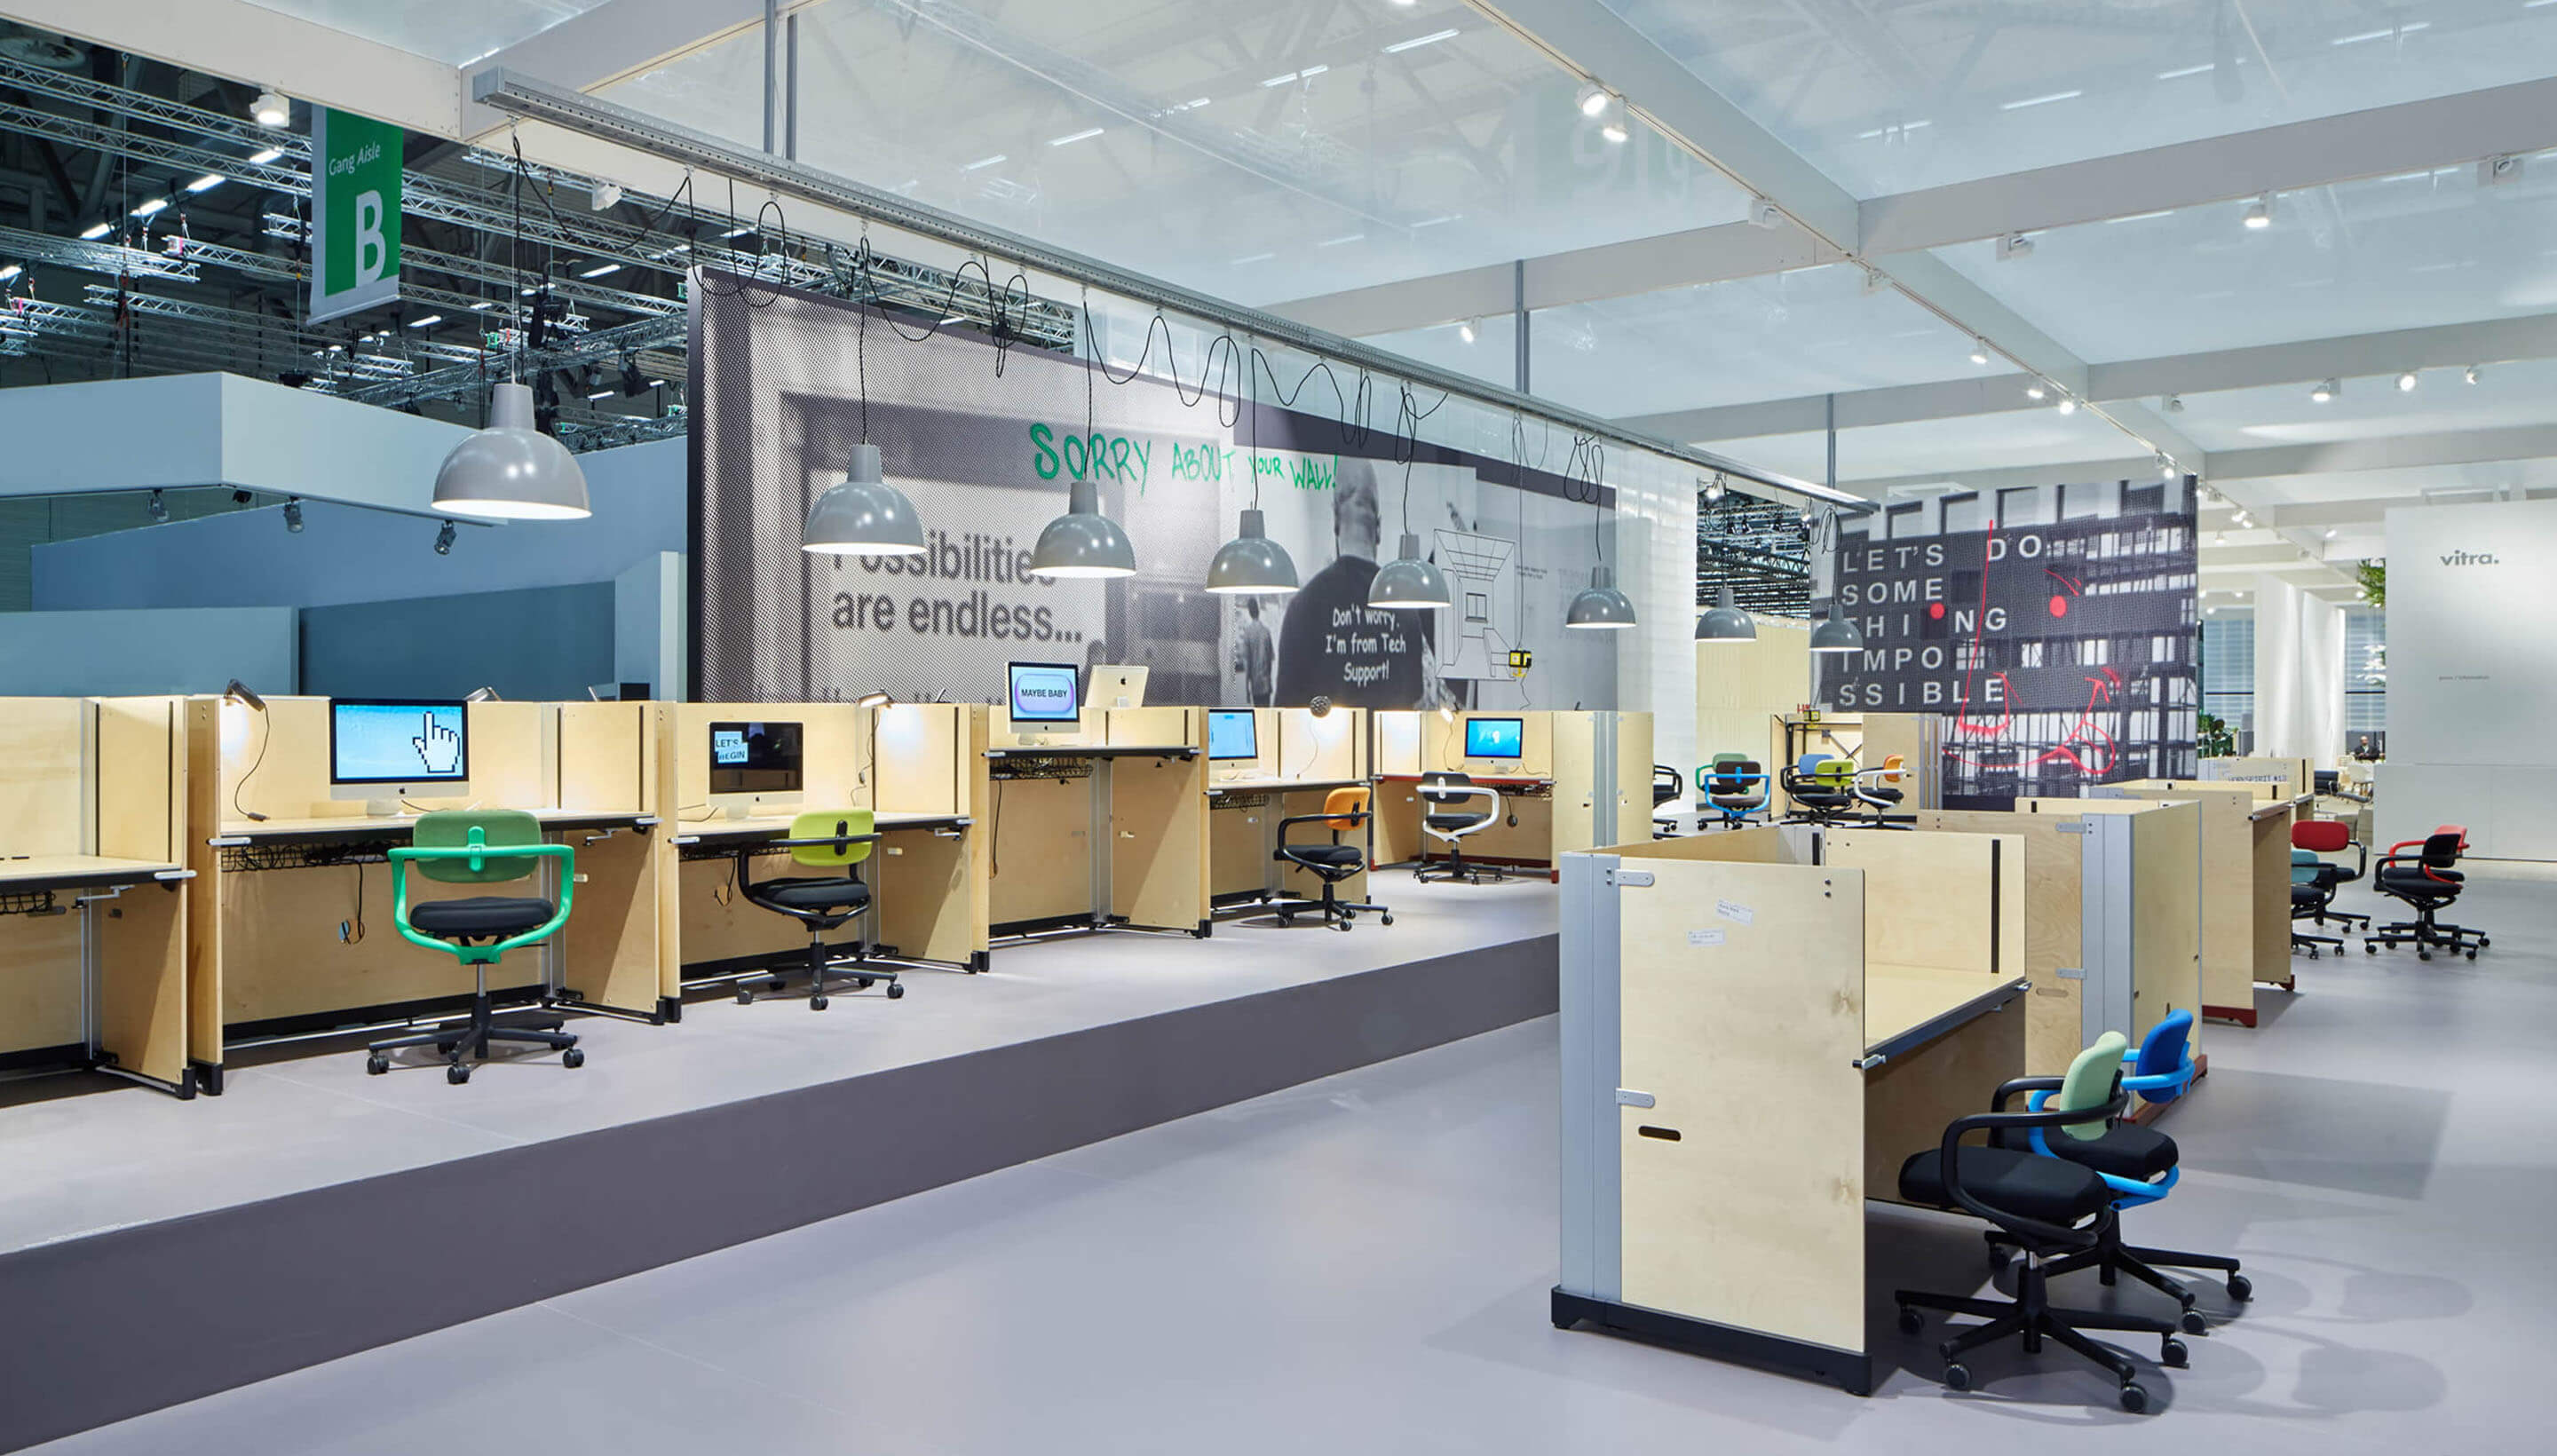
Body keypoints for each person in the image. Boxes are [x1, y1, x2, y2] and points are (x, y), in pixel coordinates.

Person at [1274, 455, 1432, 708]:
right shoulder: (1406, 611)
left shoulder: (1303, 609)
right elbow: (1414, 707)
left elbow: (1285, 717)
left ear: (1336, 520)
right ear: (1378, 528)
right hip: (1391, 738)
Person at [1232, 597, 1275, 708]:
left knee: (1258, 715)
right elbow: (1271, 659)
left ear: (1250, 612)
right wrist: (1269, 680)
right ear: (1258, 611)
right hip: (1266, 684)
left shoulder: (1248, 633)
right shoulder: (1266, 632)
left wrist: (1247, 688)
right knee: (1267, 715)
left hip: (1255, 685)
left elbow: (1247, 663)